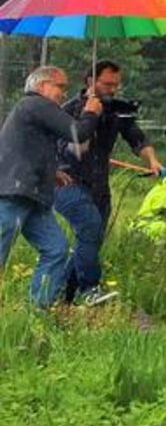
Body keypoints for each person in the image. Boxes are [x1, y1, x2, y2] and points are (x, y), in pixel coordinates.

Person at [54, 60, 164, 303]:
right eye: (107, 84)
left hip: (99, 187)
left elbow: (136, 137)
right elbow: (69, 151)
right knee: (90, 227)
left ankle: (63, 294)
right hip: (67, 182)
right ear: (90, 81)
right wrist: (89, 117)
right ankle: (89, 289)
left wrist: (152, 160)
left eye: (116, 85)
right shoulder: (68, 110)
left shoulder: (117, 110)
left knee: (91, 240)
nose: (113, 89)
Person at [0, 66, 102, 308]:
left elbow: (25, 149)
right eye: (60, 87)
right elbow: (77, 133)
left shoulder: (32, 112)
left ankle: (38, 312)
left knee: (56, 249)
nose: (64, 93)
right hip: (14, 193)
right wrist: (91, 112)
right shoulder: (35, 104)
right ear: (41, 86)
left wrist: (51, 173)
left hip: (32, 195)